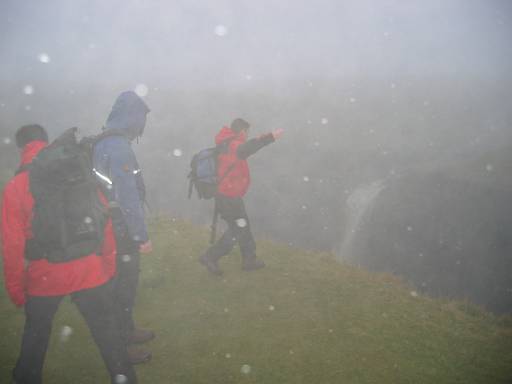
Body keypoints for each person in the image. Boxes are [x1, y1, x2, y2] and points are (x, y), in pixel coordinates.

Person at [1, 124, 137, 384]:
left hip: (44, 275)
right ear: (46, 141)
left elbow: (12, 245)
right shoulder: (76, 171)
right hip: (89, 269)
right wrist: (107, 264)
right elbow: (103, 218)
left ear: (22, 148)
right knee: (109, 337)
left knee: (36, 336)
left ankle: (26, 377)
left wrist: (17, 288)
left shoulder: (17, 186)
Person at [93, 91, 154, 364]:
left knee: (121, 285)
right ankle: (121, 347)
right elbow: (127, 196)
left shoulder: (105, 141)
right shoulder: (119, 148)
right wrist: (141, 236)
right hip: (120, 229)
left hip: (109, 224)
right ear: (133, 118)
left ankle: (127, 331)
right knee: (123, 287)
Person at [199, 118, 283, 276]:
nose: (247, 135)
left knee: (243, 225)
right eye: (247, 132)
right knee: (238, 228)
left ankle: (249, 259)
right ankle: (210, 256)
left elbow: (245, 146)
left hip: (226, 193)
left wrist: (260, 137)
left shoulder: (227, 142)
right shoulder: (234, 145)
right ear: (242, 131)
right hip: (228, 195)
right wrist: (270, 137)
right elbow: (247, 148)